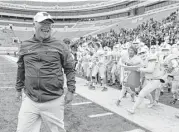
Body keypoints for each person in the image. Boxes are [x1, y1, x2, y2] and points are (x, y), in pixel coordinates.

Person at [15, 12, 76, 132]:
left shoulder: (60, 45)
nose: (46, 26)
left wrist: (71, 90)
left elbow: (69, 68)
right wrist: (18, 89)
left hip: (53, 99)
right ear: (35, 24)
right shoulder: (25, 45)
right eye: (43, 22)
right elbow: (21, 68)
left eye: (49, 23)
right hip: (30, 98)